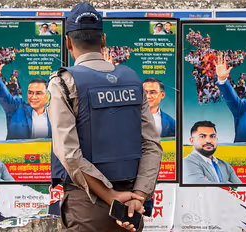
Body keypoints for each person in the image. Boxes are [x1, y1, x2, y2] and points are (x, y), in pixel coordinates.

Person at [46, 3, 163, 232]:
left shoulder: (62, 83)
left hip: (86, 207)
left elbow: (68, 153)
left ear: (68, 42)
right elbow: (152, 145)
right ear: (103, 40)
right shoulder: (132, 79)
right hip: (130, 209)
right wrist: (138, 196)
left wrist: (111, 196)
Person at [0, 52, 52, 140]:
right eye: (30, 93)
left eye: (38, 93)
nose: (33, 97)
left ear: (47, 96)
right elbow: (4, 97)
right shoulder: (16, 108)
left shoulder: (55, 116)